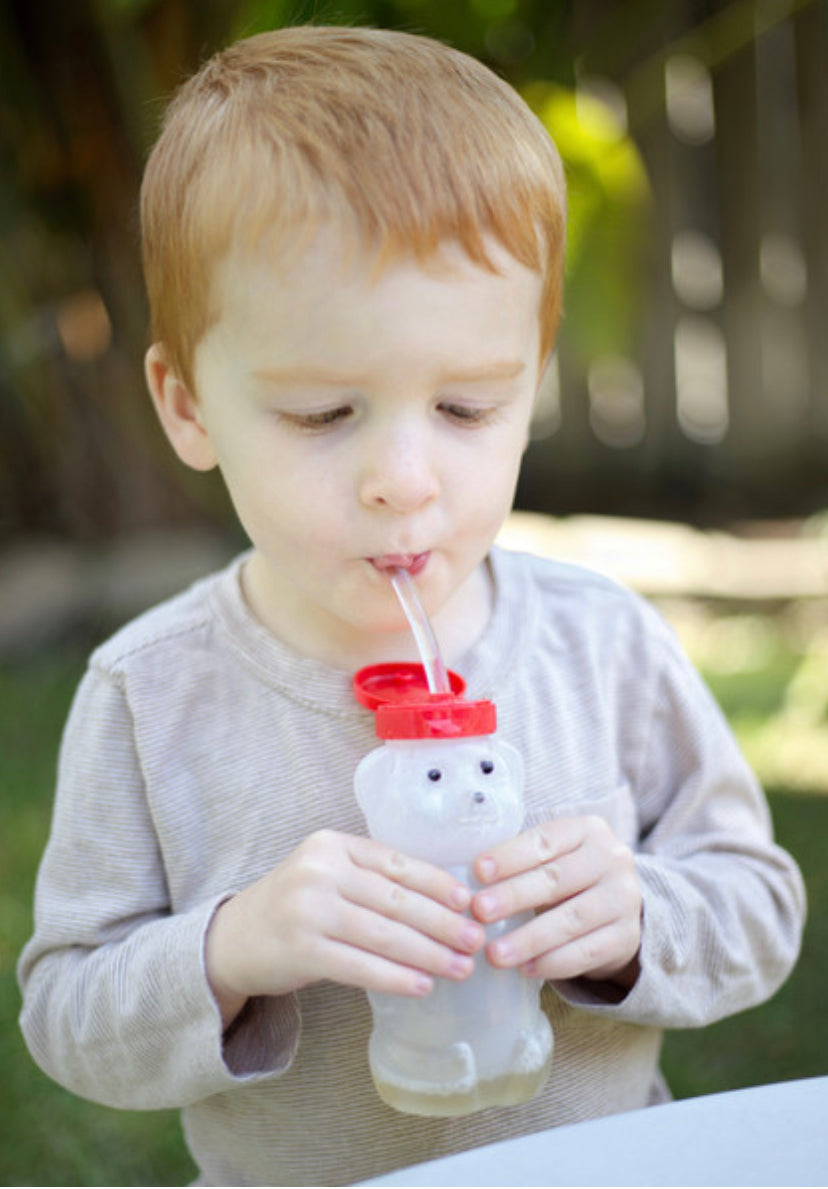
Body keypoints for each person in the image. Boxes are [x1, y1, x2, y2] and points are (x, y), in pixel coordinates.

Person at [18, 24, 805, 1188]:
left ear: (531, 387)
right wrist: (231, 948)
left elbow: (762, 905)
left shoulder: (601, 644)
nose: (403, 477)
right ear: (187, 407)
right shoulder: (151, 695)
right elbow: (67, 1012)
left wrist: (642, 916)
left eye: (469, 408)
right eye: (323, 413)